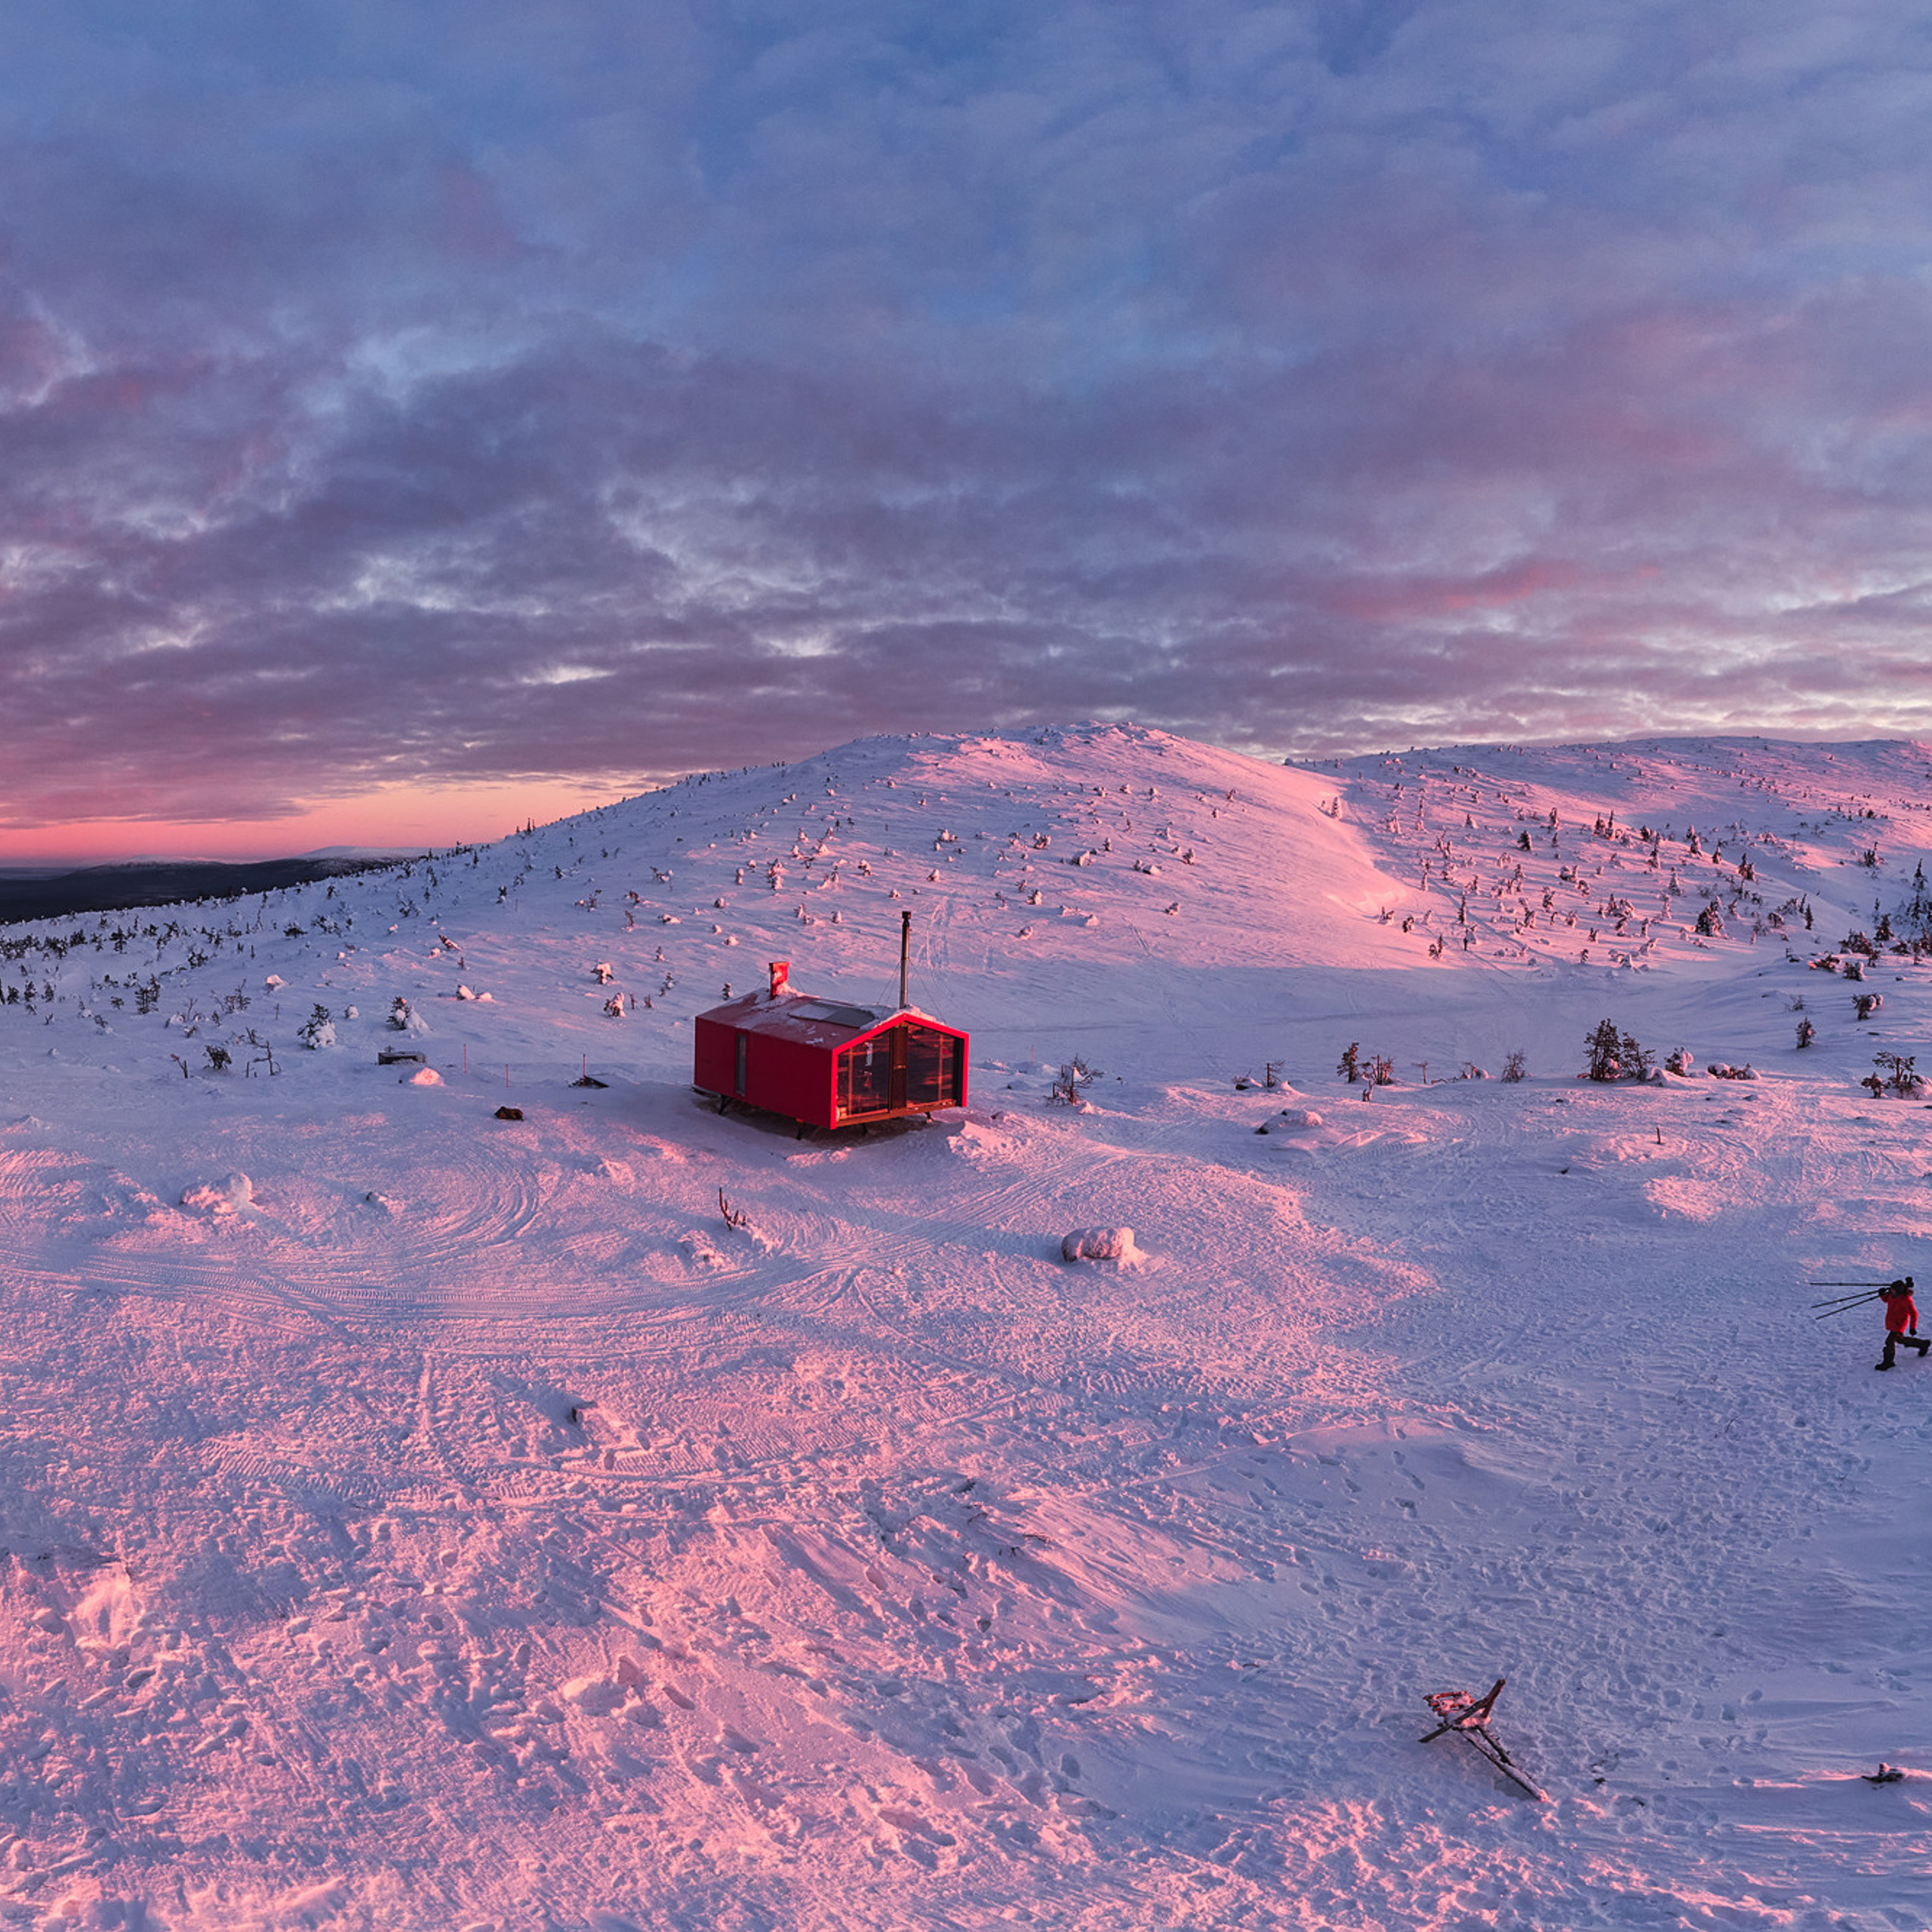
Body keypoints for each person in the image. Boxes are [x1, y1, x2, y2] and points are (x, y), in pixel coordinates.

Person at [1875, 1276, 1930, 1371]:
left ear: (1898, 1291)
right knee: (1899, 1339)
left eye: (1892, 1290)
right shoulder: (1892, 1295)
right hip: (1892, 1321)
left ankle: (1888, 1362)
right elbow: (1886, 1300)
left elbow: (1914, 1314)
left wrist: (1912, 1328)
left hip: (1899, 1323)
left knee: (1889, 1342)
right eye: (1891, 1289)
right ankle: (1922, 1344)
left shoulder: (1906, 1301)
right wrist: (1882, 1294)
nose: (1890, 1291)